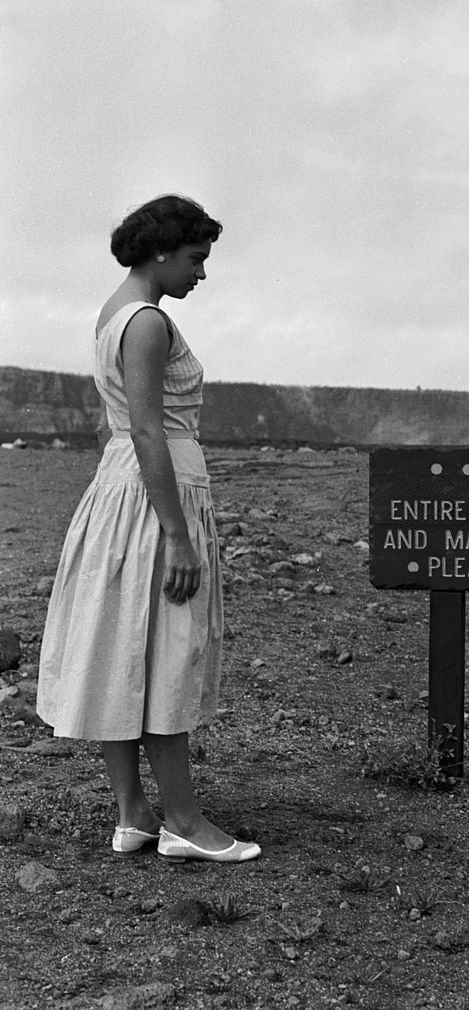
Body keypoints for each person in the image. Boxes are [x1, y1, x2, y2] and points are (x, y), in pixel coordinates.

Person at [36, 195, 259, 863]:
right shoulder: (148, 323)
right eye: (196, 259)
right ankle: (184, 822)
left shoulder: (111, 313)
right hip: (154, 496)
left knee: (121, 643)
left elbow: (114, 427)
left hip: (119, 491)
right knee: (164, 651)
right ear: (162, 251)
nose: (201, 273)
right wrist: (178, 536)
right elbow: (147, 431)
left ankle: (134, 812)